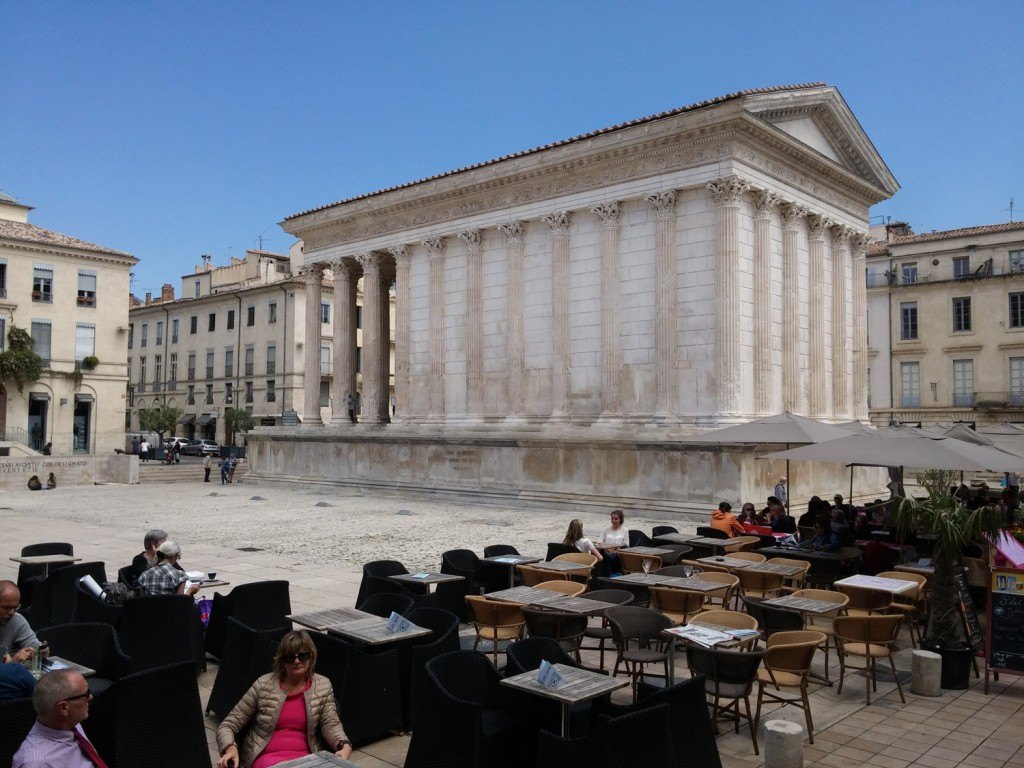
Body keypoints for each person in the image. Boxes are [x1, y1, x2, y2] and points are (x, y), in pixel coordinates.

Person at [217, 631, 351, 768]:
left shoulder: (323, 685)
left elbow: (331, 724)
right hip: (267, 757)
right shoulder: (263, 685)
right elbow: (227, 725)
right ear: (281, 661)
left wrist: (344, 745)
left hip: (306, 759)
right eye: (289, 657)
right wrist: (230, 747)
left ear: (311, 657)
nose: (297, 661)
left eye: (303, 656)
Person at [13, 670, 107, 768]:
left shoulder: (70, 723)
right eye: (85, 694)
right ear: (63, 708)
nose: (91, 697)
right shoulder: (38, 763)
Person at [1, 581, 43, 665]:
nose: (11, 613)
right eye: (6, 608)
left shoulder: (16, 620)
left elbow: (37, 648)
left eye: (15, 607)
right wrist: (11, 664)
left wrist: (40, 651)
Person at [598, 510, 629, 575]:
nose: (614, 521)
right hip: (606, 551)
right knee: (603, 555)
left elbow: (626, 544)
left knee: (606, 557)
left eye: (616, 519)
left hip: (618, 554)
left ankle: (608, 576)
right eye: (612, 518)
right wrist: (607, 548)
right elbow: (600, 541)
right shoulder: (606, 529)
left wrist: (616, 550)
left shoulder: (624, 530)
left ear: (620, 520)